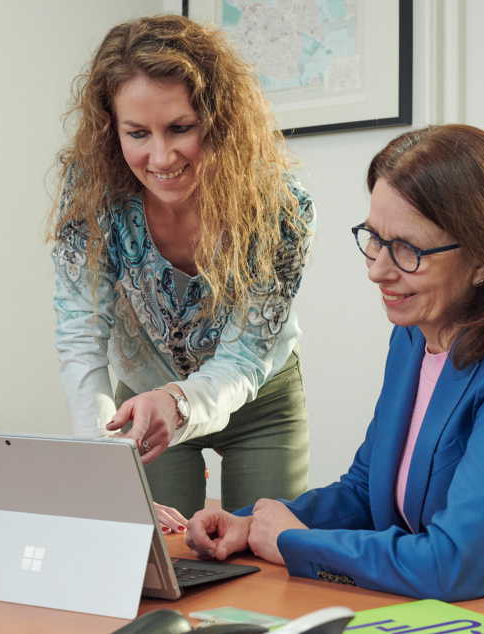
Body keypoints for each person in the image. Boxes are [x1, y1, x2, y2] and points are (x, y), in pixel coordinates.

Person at [185, 124, 484, 601]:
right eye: (374, 239)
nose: (377, 269)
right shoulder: (413, 336)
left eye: (408, 250)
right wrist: (252, 524)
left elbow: (451, 565)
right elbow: (364, 492)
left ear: (483, 260)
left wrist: (293, 542)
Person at [49, 15, 314, 523]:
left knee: (262, 551)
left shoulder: (279, 207)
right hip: (144, 402)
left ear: (217, 119)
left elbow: (243, 358)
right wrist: (104, 460)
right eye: (137, 133)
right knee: (151, 551)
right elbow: (80, 332)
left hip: (260, 398)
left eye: (180, 128)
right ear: (111, 130)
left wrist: (180, 402)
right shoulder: (90, 192)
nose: (162, 156)